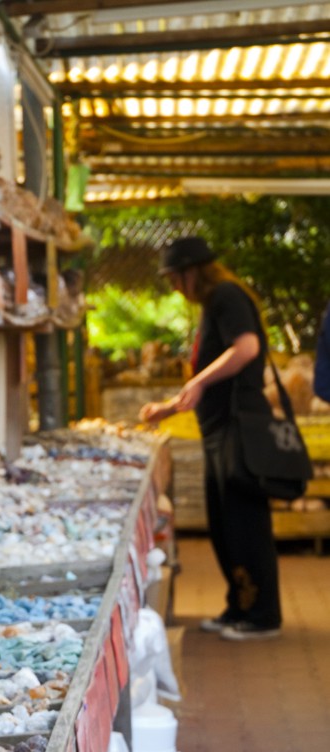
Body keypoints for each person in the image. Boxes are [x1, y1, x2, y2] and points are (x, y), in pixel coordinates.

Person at [140, 235, 281, 641]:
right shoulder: (214, 303)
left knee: (245, 523)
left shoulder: (226, 296)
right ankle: (240, 604)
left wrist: (199, 382)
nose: (174, 288)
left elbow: (247, 348)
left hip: (239, 430)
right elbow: (208, 380)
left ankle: (262, 615)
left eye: (174, 279)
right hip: (222, 430)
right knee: (225, 523)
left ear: (192, 272)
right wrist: (170, 407)